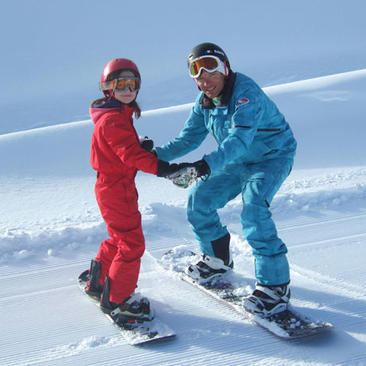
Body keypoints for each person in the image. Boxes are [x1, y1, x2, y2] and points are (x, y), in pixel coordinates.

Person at [154, 43, 297, 317]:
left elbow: (239, 140)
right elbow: (187, 139)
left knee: (254, 207)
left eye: (211, 70)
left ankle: (276, 287)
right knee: (200, 199)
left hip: (271, 157)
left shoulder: (246, 94)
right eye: (197, 73)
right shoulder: (204, 103)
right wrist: (150, 155)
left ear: (225, 68)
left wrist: (204, 166)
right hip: (238, 160)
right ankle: (217, 259)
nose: (205, 79)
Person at [80, 58, 192, 327]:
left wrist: (140, 144)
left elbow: (122, 148)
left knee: (120, 237)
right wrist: (164, 169)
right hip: (117, 188)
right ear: (108, 87)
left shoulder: (117, 115)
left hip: (114, 186)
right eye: (121, 84)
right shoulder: (113, 120)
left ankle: (98, 281)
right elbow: (128, 155)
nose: (128, 89)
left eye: (133, 84)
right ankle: (118, 301)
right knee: (132, 244)